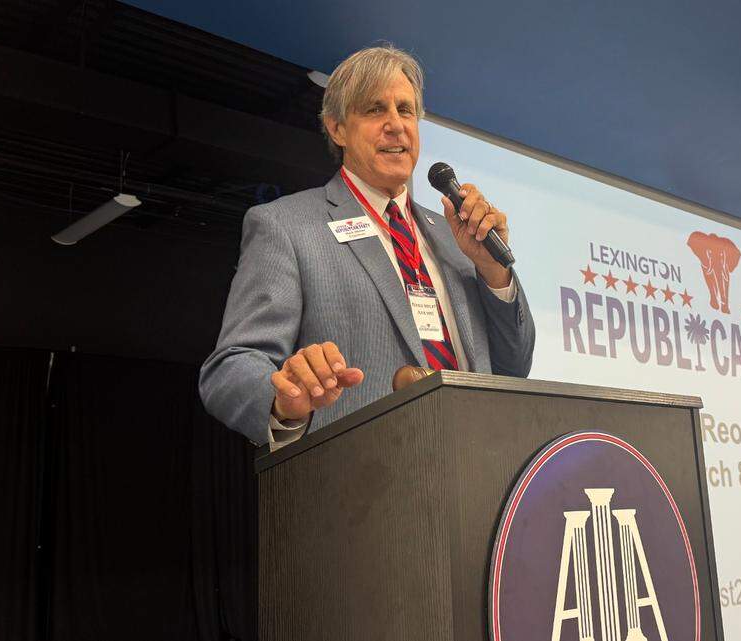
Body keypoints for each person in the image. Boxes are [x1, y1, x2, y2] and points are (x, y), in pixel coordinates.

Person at [199, 45, 535, 447]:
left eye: (405, 110)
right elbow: (230, 368)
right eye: (375, 110)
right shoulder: (286, 226)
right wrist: (283, 398)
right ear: (337, 129)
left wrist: (494, 272)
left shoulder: (455, 234)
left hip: (477, 461)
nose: (396, 125)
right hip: (366, 475)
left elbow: (514, 367)